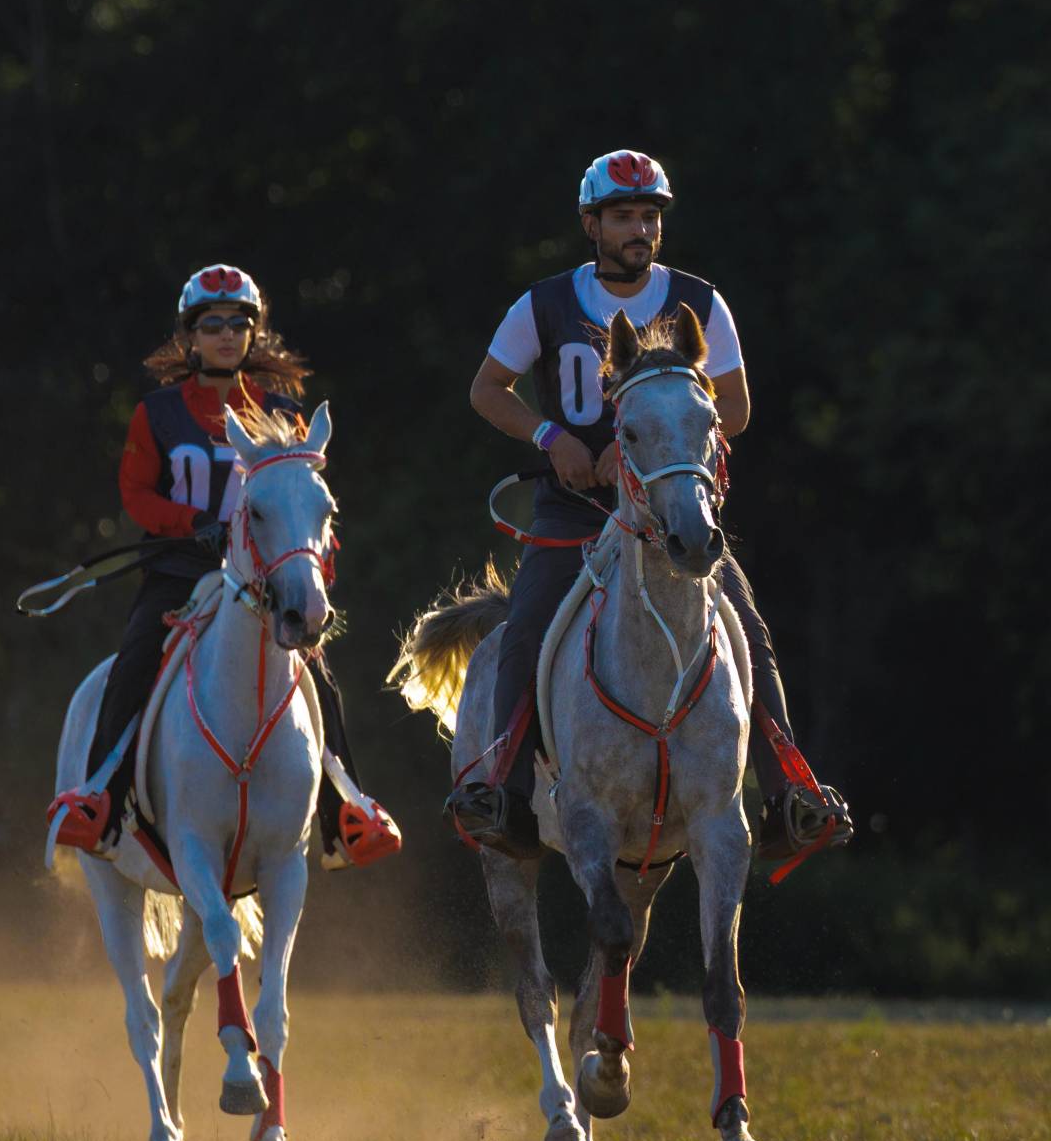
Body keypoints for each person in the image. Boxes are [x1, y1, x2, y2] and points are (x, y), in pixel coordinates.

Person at [446, 150, 852, 861]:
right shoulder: (542, 303)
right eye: (624, 217)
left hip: (670, 515)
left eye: (649, 217)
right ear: (590, 224)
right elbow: (487, 389)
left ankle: (791, 795)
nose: (640, 229)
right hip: (574, 510)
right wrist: (551, 437)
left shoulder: (699, 299)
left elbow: (737, 407)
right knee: (528, 628)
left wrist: (635, 455)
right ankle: (502, 795)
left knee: (749, 630)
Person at [48, 262, 398, 869]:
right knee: (134, 661)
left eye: (240, 323)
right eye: (212, 324)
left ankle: (348, 814)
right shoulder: (155, 414)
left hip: (263, 582)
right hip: (179, 574)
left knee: (321, 680)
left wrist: (315, 568)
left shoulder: (284, 411)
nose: (227, 335)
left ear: (253, 334)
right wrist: (192, 524)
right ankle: (99, 804)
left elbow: (301, 504)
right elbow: (136, 495)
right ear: (190, 336)